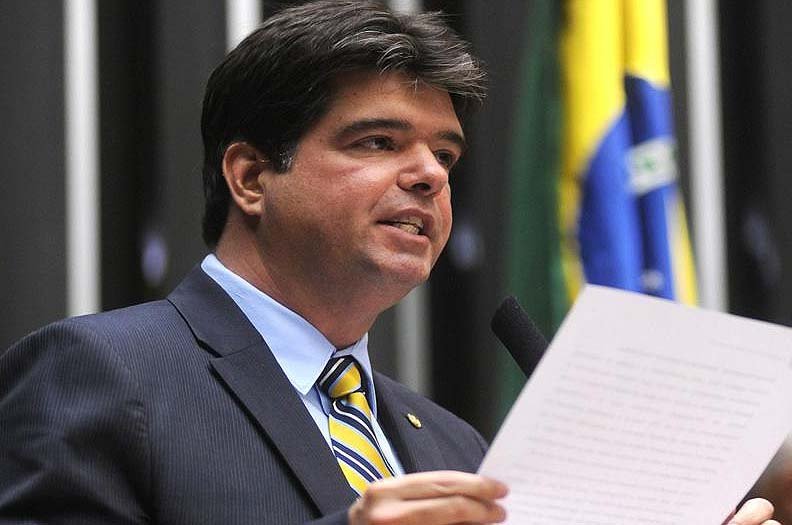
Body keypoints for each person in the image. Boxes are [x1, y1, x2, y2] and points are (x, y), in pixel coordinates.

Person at [0, 1, 779, 524]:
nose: (431, 174)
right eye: (378, 142)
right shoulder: (101, 374)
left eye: (446, 154)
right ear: (251, 177)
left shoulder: (455, 446)